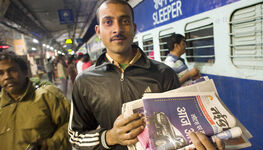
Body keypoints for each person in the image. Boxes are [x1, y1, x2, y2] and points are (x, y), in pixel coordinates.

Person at [68, 1, 223, 150]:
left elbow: (182, 128)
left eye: (125, 21)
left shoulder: (164, 74)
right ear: (98, 31)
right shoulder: (85, 81)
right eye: (108, 22)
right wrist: (109, 137)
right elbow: (75, 136)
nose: (117, 29)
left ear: (134, 28)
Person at [0, 51, 71, 150]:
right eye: (1, 73)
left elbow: (72, 125)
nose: (7, 77)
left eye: (12, 70)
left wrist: (50, 144)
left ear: (25, 72)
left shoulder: (48, 96)